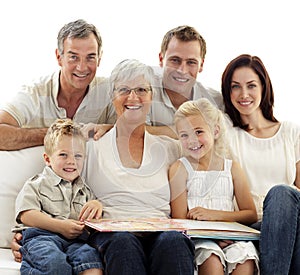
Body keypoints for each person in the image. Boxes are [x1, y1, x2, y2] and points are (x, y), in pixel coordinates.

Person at [81, 59, 195, 275]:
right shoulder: (91, 148)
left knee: (174, 241)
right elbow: (64, 191)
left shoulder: (170, 148)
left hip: (160, 231)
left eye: (142, 89)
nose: (133, 98)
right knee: (123, 243)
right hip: (113, 233)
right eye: (123, 89)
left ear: (152, 97)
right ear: (112, 96)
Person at [221, 54, 300, 275]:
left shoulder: (291, 132)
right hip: (251, 225)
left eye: (251, 86)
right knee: (282, 193)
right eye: (235, 87)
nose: (243, 94)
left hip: (290, 222)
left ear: (264, 88)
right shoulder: (228, 136)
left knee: (283, 195)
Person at [169, 98, 259, 275]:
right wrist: (211, 236)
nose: (192, 140)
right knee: (211, 260)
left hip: (231, 238)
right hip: (200, 240)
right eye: (184, 135)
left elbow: (250, 214)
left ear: (215, 131)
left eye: (199, 131)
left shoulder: (231, 168)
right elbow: (179, 220)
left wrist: (214, 216)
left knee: (245, 259)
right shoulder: (179, 169)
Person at [0, 19, 115, 151]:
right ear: (59, 57)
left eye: (90, 57)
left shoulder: (110, 91)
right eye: (73, 57)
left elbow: (140, 132)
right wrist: (59, 134)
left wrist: (110, 129)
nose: (82, 67)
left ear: (99, 59)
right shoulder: (35, 92)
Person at [14, 118, 103, 275]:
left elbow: (94, 223)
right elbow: (26, 215)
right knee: (56, 264)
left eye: (78, 156)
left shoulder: (85, 191)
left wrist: (97, 205)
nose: (71, 162)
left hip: (76, 242)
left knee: (92, 263)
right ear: (48, 159)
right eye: (63, 155)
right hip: (41, 238)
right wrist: (60, 226)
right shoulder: (37, 184)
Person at [146, 25, 223, 138]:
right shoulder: (142, 92)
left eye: (191, 62)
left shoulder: (216, 102)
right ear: (161, 59)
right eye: (175, 60)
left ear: (201, 65)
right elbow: (134, 133)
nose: (182, 70)